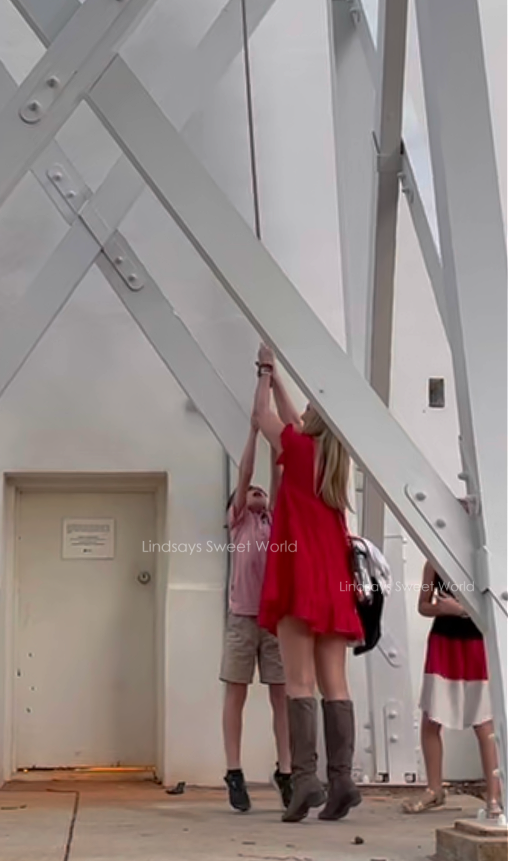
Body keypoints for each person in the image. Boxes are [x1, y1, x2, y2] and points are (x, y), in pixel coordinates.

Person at [253, 345, 364, 823]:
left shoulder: (296, 449)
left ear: (315, 417)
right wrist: (279, 377)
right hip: (335, 581)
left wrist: (262, 373)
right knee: (335, 683)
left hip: (298, 575)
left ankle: (305, 781)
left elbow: (263, 418)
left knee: (298, 682)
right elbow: (291, 420)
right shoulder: (334, 463)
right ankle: (342, 780)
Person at [221, 409, 292, 813]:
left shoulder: (275, 522)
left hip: (275, 621)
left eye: (260, 491)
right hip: (242, 619)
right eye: (250, 492)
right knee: (237, 691)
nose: (257, 491)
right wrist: (251, 433)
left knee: (281, 695)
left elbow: (278, 474)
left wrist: (271, 438)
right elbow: (245, 473)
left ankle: (286, 770)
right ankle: (234, 770)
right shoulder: (240, 523)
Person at [403, 535, 502, 818]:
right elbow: (423, 605)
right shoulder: (434, 561)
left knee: (484, 722)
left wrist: (462, 611)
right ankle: (434, 789)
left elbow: (495, 604)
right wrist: (442, 609)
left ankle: (494, 797)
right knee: (431, 718)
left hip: (476, 646)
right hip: (443, 644)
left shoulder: (486, 559)